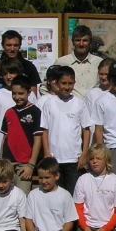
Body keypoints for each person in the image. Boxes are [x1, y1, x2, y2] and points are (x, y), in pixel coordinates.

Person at [40, 66, 87, 195]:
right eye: (63, 83)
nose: (67, 87)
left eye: (70, 83)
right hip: (55, 158)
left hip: (73, 159)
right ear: (56, 83)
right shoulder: (49, 104)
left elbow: (86, 130)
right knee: (56, 194)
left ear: (74, 83)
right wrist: (46, 152)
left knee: (73, 193)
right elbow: (44, 130)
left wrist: (83, 154)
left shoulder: (79, 103)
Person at [24, 157, 78, 231]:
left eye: (47, 178)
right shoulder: (33, 195)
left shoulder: (65, 195)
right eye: (40, 178)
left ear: (56, 176)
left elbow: (70, 221)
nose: (43, 181)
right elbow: (28, 220)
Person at [73, 144, 116, 231]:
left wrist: (106, 228)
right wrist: (85, 227)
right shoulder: (83, 179)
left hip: (107, 225)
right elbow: (78, 207)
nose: (94, 161)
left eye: (98, 158)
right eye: (91, 159)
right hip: (87, 225)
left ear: (106, 160)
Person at [0, 75, 43, 194]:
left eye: (21, 93)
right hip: (8, 163)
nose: (17, 97)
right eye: (14, 93)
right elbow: (4, 138)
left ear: (29, 93)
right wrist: (2, 161)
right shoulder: (9, 112)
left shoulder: (35, 112)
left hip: (24, 165)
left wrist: (31, 165)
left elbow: (38, 140)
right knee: (7, 196)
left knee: (22, 197)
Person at [0, 58, 33, 162]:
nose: (8, 77)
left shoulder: (29, 95)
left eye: (12, 73)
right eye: (5, 74)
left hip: (23, 149)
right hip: (1, 146)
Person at [54, 25, 102, 97]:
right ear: (73, 42)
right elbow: (46, 86)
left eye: (85, 40)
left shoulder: (99, 62)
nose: (81, 44)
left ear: (90, 42)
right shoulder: (61, 62)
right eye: (78, 40)